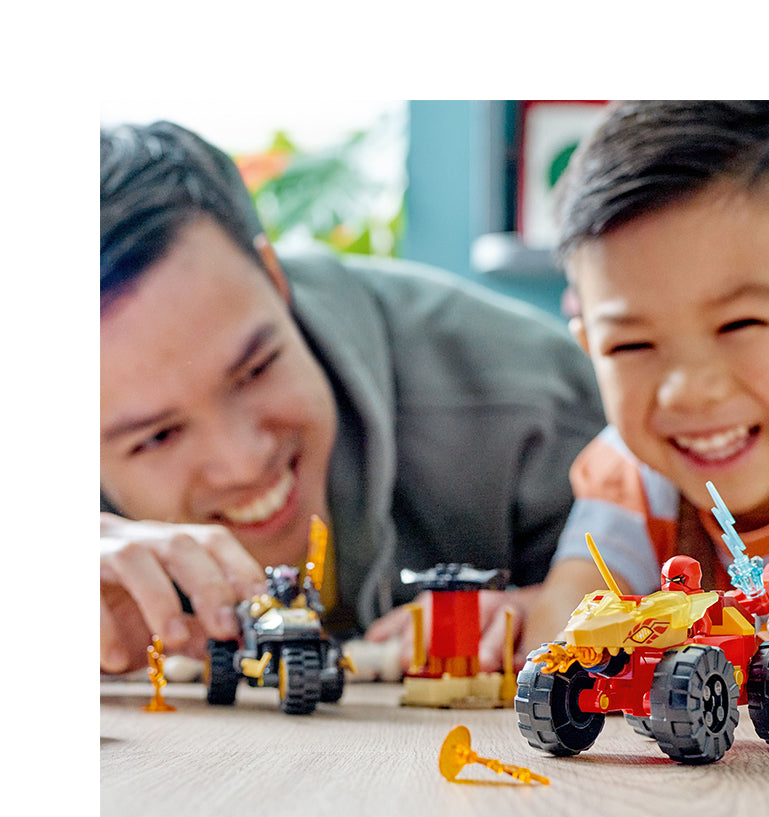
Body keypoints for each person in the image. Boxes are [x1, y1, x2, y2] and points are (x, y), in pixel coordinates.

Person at [100, 120, 605, 676]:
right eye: (157, 437)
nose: (243, 463)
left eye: (255, 370)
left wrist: (553, 612)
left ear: (275, 279)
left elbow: (667, 583)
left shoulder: (539, 401)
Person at [522, 101, 769, 730]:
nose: (688, 393)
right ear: (591, 348)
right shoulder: (629, 474)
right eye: (631, 345)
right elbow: (566, 623)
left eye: (739, 324)